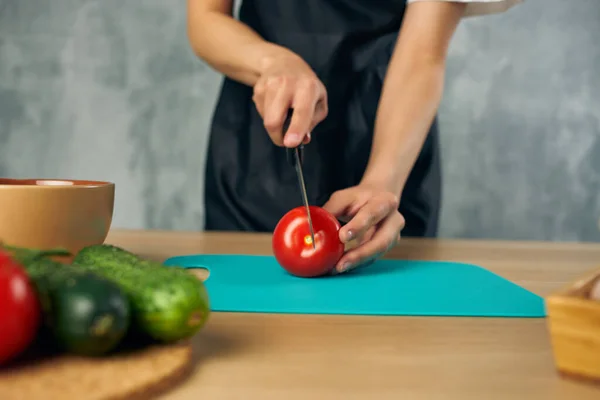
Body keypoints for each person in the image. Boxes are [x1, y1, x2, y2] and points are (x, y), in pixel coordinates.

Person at [187, 0, 521, 274]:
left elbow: (422, 54)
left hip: (389, 130)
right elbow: (205, 20)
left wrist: (382, 183)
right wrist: (272, 62)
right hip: (256, 143)